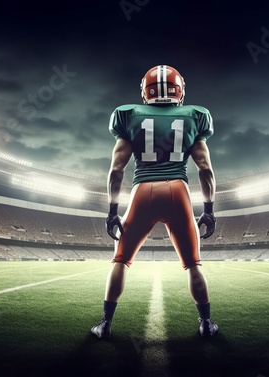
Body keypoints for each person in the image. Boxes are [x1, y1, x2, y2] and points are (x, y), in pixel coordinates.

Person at [91, 64, 218, 339]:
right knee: (193, 264)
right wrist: (208, 210)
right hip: (178, 190)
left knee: (121, 260)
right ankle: (206, 324)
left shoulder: (128, 116)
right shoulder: (195, 116)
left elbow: (116, 171)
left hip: (143, 190)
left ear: (145, 92)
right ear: (179, 91)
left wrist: (113, 211)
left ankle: (105, 325)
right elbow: (205, 169)